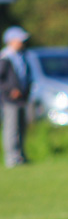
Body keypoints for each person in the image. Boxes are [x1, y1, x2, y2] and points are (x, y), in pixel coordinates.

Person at [0, 26, 32, 168]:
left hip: (22, 98)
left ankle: (20, 155)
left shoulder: (22, 56)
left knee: (21, 128)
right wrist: (10, 90)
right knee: (11, 128)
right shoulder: (5, 57)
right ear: (11, 41)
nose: (22, 42)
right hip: (10, 99)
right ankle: (11, 157)